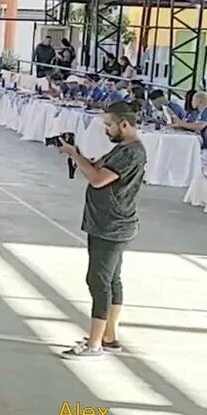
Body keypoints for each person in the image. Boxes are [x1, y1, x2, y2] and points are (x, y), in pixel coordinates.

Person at [58, 103, 146, 359]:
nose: (106, 130)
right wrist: (80, 156)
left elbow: (98, 179)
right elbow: (99, 171)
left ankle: (95, 343)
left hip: (111, 225)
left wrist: (75, 156)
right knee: (112, 279)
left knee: (98, 282)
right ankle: (108, 335)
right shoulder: (124, 149)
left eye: (109, 124)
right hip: (108, 222)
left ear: (124, 124)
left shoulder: (130, 153)